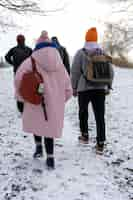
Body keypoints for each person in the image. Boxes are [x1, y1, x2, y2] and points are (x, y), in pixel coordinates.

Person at [14, 31, 72, 169]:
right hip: (52, 103)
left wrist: (21, 98)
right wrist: (60, 99)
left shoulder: (30, 61)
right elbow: (67, 85)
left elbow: (18, 80)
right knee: (49, 128)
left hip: (35, 99)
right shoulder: (60, 64)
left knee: (37, 123)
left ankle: (39, 148)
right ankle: (50, 158)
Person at [71, 27, 114, 153]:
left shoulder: (80, 53)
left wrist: (74, 87)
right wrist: (108, 85)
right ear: (96, 39)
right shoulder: (102, 52)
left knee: (83, 112)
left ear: (86, 38)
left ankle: (84, 136)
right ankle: (100, 143)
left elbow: (74, 72)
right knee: (100, 116)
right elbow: (110, 72)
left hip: (84, 88)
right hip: (100, 88)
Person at [5, 34, 32, 113]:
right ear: (24, 40)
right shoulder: (29, 49)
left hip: (17, 72)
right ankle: (28, 105)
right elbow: (34, 58)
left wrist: (13, 63)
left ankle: (21, 108)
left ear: (17, 41)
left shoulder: (13, 49)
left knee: (19, 89)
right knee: (28, 88)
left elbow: (7, 57)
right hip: (27, 72)